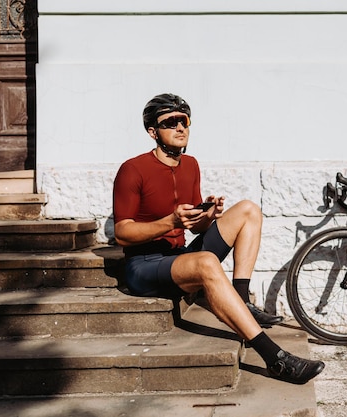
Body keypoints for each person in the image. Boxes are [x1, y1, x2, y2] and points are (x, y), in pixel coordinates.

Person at [113, 93, 324, 385]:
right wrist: (169, 222)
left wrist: (209, 215)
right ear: (152, 132)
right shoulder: (132, 169)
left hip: (178, 256)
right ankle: (274, 358)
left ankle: (239, 297)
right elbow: (122, 233)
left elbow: (196, 228)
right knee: (207, 262)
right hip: (144, 266)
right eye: (170, 122)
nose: (179, 127)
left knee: (248, 209)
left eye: (183, 121)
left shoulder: (191, 165)